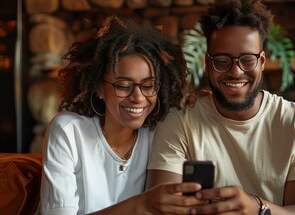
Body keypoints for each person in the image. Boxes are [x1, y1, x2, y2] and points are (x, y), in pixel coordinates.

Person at [146, 0, 295, 215]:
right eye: (222, 60)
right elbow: (160, 208)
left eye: (247, 60)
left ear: (262, 61)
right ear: (207, 62)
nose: (235, 71)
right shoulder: (180, 122)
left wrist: (257, 208)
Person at [39, 16, 205, 215]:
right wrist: (143, 205)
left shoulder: (160, 134)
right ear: (99, 88)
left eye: (148, 86)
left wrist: (207, 106)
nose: (138, 97)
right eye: (123, 86)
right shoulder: (68, 131)